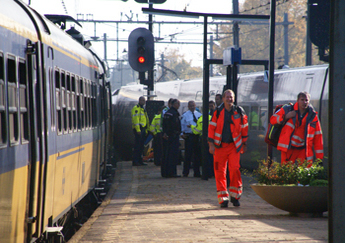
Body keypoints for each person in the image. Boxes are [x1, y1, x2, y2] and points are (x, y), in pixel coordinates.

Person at [208, 89, 249, 207]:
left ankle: (235, 197)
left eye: (231, 97)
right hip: (219, 147)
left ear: (234, 99)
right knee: (219, 172)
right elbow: (211, 129)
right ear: (223, 99)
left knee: (235, 170)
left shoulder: (239, 112)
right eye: (227, 97)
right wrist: (211, 145)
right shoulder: (217, 112)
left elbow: (244, 128)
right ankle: (223, 199)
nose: (229, 99)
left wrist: (244, 144)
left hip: (233, 147)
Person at [270, 91, 324, 165]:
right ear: (297, 100)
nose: (304, 102)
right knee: (287, 172)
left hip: (303, 149)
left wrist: (319, 158)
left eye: (306, 100)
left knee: (304, 172)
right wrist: (286, 117)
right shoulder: (287, 109)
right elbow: (272, 120)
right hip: (288, 148)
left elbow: (318, 137)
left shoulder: (313, 116)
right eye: (302, 100)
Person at [191, 103, 214, 179]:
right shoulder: (211, 118)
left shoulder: (200, 119)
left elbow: (196, 131)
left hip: (203, 140)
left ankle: (206, 173)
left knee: (204, 157)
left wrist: (192, 126)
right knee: (211, 157)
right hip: (212, 139)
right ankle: (211, 172)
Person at [181, 101, 202, 177]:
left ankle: (197, 172)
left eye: (193, 105)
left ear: (195, 105)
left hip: (197, 136)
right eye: (190, 106)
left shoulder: (199, 115)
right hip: (189, 136)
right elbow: (182, 125)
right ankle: (185, 172)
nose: (192, 107)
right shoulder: (185, 115)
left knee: (197, 155)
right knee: (188, 155)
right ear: (188, 106)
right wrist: (182, 134)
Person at [162, 99, 181, 178]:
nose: (179, 106)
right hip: (173, 137)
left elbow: (164, 125)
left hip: (168, 136)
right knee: (173, 156)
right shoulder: (173, 113)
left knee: (167, 155)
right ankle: (172, 172)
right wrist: (174, 134)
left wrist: (165, 133)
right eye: (178, 104)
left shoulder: (167, 113)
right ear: (174, 104)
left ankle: (166, 172)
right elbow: (173, 125)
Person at [131, 96, 149, 166]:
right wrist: (138, 130)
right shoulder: (136, 109)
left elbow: (146, 119)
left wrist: (147, 129)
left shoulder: (143, 109)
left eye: (144, 101)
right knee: (137, 146)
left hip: (143, 129)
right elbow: (136, 120)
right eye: (143, 101)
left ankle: (140, 160)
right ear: (140, 101)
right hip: (139, 129)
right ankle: (135, 161)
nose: (144, 102)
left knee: (141, 146)